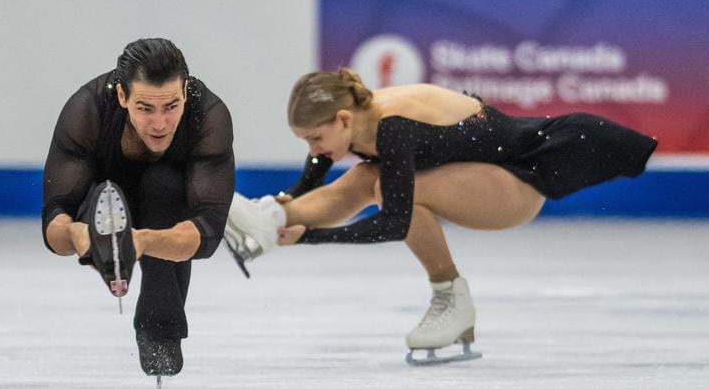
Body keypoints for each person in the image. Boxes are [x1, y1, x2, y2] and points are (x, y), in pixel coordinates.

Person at [224, 68, 656, 365]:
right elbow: (321, 163)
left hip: (517, 184)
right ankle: (268, 221)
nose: (314, 150)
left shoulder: (391, 126)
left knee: (386, 187)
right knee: (364, 177)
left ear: (341, 118)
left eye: (316, 137)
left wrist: (309, 239)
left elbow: (395, 221)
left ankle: (451, 298)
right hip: (480, 174)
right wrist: (288, 201)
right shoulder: (355, 121)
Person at [41, 38, 235, 378]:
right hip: (101, 201)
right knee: (107, 191)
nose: (160, 124)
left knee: (164, 184)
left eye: (171, 106)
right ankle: (110, 245)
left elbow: (208, 232)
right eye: (145, 108)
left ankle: (159, 329)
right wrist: (79, 235)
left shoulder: (208, 114)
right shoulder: (87, 110)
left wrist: (141, 242)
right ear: (121, 96)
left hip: (169, 205)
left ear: (186, 93)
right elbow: (55, 219)